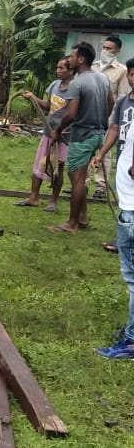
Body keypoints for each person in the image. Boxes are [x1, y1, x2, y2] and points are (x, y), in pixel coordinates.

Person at [92, 58, 134, 358]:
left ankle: (132, 341)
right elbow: (115, 130)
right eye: (132, 74)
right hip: (126, 197)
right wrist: (102, 153)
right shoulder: (123, 103)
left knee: (132, 274)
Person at [48, 41, 111, 233]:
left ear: (81, 59)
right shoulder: (102, 78)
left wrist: (58, 130)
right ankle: (83, 218)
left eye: (73, 56)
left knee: (76, 178)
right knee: (80, 177)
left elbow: (71, 114)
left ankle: (72, 223)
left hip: (82, 135)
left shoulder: (77, 83)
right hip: (99, 133)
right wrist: (100, 120)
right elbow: (111, 102)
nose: (70, 58)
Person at [17, 56, 73, 211]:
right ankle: (33, 197)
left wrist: (61, 130)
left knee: (58, 167)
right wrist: (33, 98)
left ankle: (53, 201)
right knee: (40, 163)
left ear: (71, 70)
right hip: (49, 132)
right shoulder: (55, 85)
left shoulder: (75, 89)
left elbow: (74, 114)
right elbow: (48, 106)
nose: (58, 71)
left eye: (62, 68)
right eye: (57, 67)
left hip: (64, 135)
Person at [90, 33, 128, 199]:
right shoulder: (93, 67)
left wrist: (113, 120)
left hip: (108, 117)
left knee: (104, 151)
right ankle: (81, 182)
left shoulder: (122, 71)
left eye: (109, 49)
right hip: (88, 115)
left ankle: (101, 186)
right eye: (104, 48)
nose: (105, 51)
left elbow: (121, 97)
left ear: (117, 51)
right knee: (85, 148)